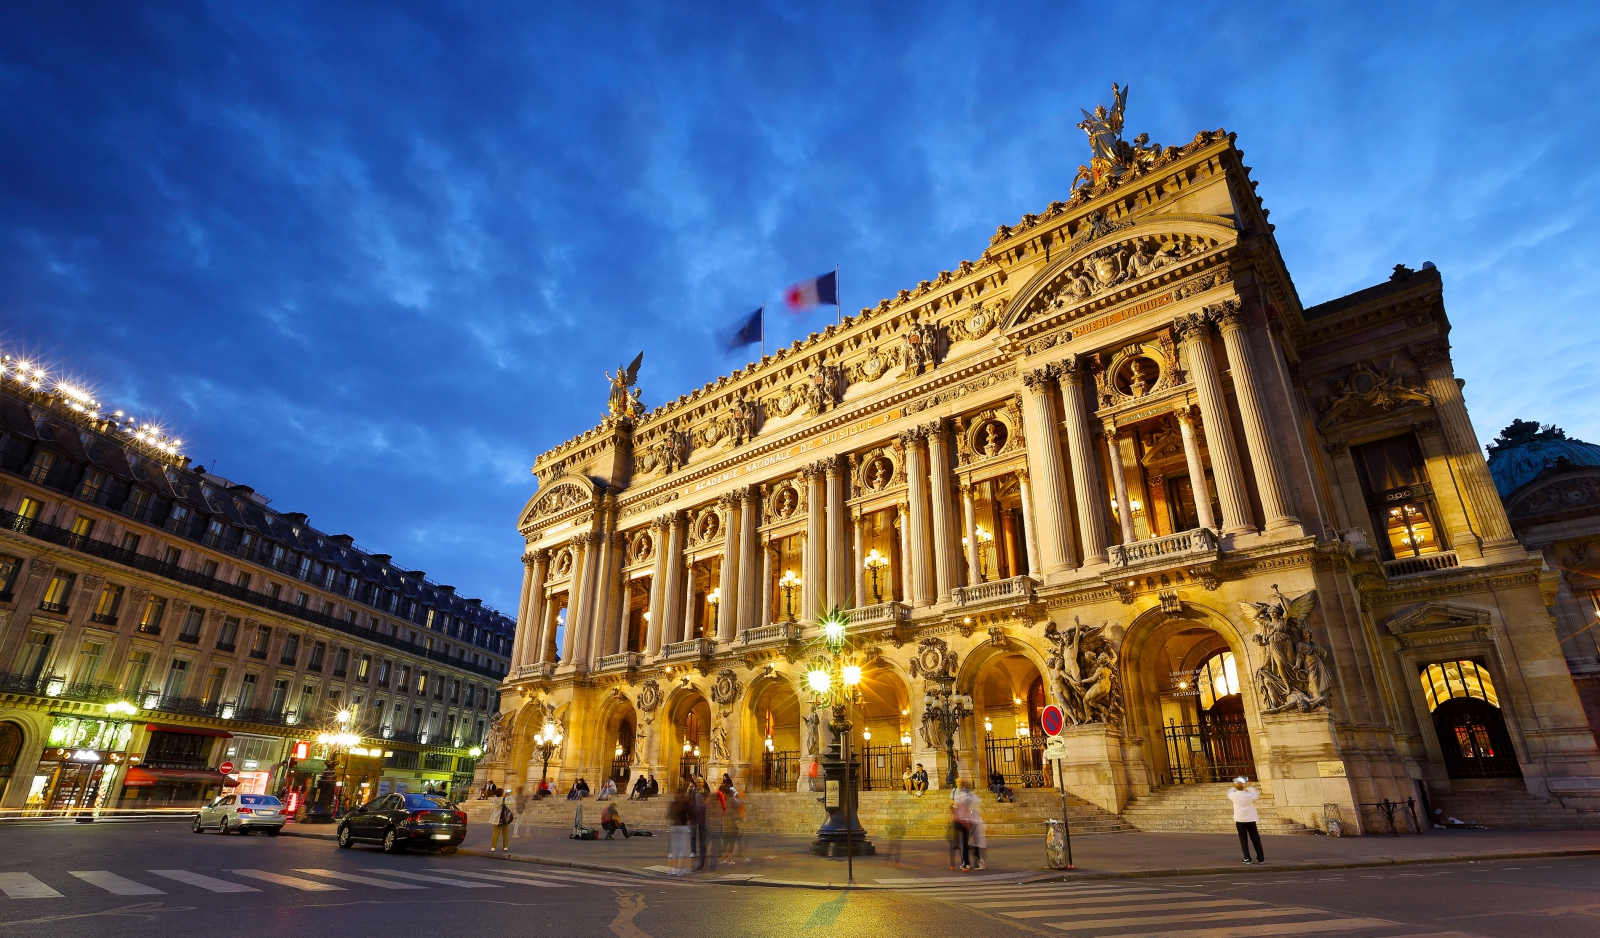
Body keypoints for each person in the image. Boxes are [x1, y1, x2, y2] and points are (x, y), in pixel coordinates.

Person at [1229, 777, 1266, 864]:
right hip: (1250, 819)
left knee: (1243, 840)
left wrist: (1236, 785)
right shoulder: (1249, 796)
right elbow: (1255, 794)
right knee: (1256, 839)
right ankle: (1261, 858)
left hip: (1240, 820)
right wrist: (1248, 786)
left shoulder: (1233, 795)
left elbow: (1230, 791)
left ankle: (1247, 858)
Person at [667, 789, 692, 876]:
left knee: (674, 848)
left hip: (674, 827)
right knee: (682, 848)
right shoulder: (685, 803)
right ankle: (679, 869)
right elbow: (691, 815)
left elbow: (668, 815)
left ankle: (674, 869)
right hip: (683, 826)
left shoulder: (673, 804)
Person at [490, 788, 514, 853]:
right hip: (504, 818)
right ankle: (505, 847)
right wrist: (509, 796)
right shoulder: (505, 800)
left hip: (496, 818)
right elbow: (511, 802)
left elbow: (498, 800)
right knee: (505, 832)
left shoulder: (495, 800)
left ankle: (493, 847)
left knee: (496, 832)